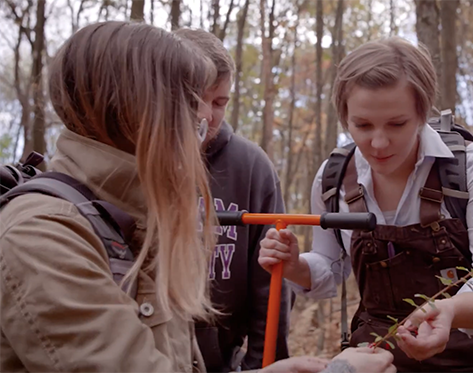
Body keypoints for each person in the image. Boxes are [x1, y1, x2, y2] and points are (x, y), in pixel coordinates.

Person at [0, 20, 397, 373]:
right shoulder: (45, 235)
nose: (203, 121)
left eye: (211, 105)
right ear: (134, 111)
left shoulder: (137, 214)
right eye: (188, 105)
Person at [258, 36, 473, 373]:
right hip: (379, 358)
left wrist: (450, 311)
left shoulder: (472, 169)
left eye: (397, 124)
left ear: (422, 112)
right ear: (344, 117)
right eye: (363, 125)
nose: (379, 142)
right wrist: (295, 265)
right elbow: (330, 267)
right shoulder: (333, 179)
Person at [172, 27, 292, 373]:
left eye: (220, 102)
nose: (207, 116)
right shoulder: (138, 160)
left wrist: (265, 363)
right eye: (196, 100)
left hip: (224, 354)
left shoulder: (251, 166)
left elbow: (270, 282)